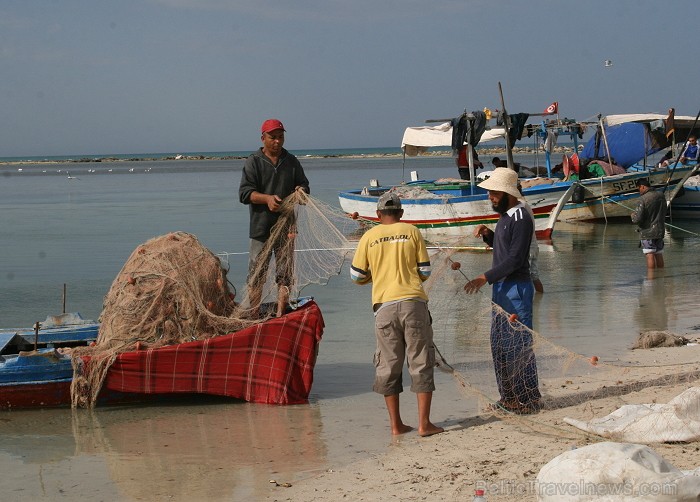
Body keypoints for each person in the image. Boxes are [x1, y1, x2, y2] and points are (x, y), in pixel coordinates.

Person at [350, 192, 444, 437]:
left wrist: (376, 276)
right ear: (401, 214)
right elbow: (424, 271)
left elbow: (356, 276)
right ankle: (424, 425)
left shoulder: (369, 236)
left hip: (384, 308)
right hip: (413, 303)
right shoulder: (412, 231)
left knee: (389, 366)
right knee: (420, 362)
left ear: (379, 215)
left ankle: (396, 426)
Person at [463, 167, 541, 414]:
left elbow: (516, 259)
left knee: (518, 346)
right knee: (499, 346)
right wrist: (489, 236)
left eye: (494, 193)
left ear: (508, 193)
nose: (490, 197)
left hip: (516, 289)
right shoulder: (506, 217)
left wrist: (483, 277)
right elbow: (505, 249)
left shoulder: (521, 217)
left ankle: (527, 399)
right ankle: (508, 397)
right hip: (501, 288)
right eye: (490, 193)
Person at [239, 119, 310, 317]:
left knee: (285, 275)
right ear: (263, 138)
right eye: (272, 137)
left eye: (280, 137)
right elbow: (244, 194)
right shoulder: (254, 161)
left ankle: (280, 313)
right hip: (260, 229)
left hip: (287, 228)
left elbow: (305, 188)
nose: (277, 141)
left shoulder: (291, 161)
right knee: (256, 274)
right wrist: (267, 199)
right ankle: (253, 315)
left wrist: (300, 191)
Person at [630, 179, 667, 269]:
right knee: (659, 254)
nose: (639, 191)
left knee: (649, 254)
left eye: (638, 189)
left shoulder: (642, 199)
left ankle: (651, 279)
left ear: (642, 186)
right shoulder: (661, 195)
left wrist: (633, 215)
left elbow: (637, 219)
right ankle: (660, 278)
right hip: (660, 230)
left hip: (647, 232)